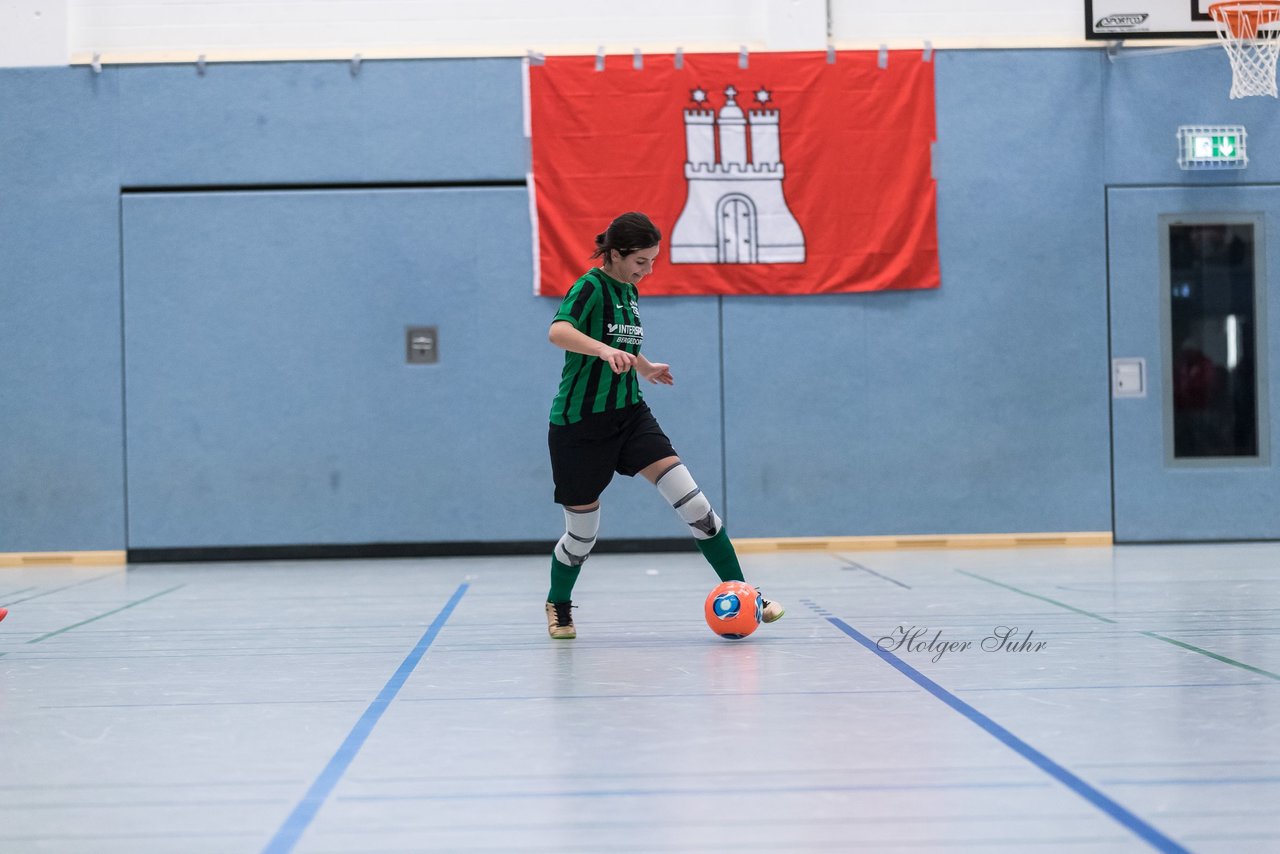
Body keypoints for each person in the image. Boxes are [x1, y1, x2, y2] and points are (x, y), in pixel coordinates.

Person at [544, 211, 784, 639]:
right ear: (615, 254)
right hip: (580, 427)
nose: (648, 270)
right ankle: (559, 604)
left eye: (653, 261)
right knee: (581, 538)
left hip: (631, 417)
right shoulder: (590, 287)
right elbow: (559, 331)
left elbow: (621, 343)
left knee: (697, 509)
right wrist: (601, 352)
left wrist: (645, 366)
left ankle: (746, 592)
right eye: (640, 262)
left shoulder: (629, 291)